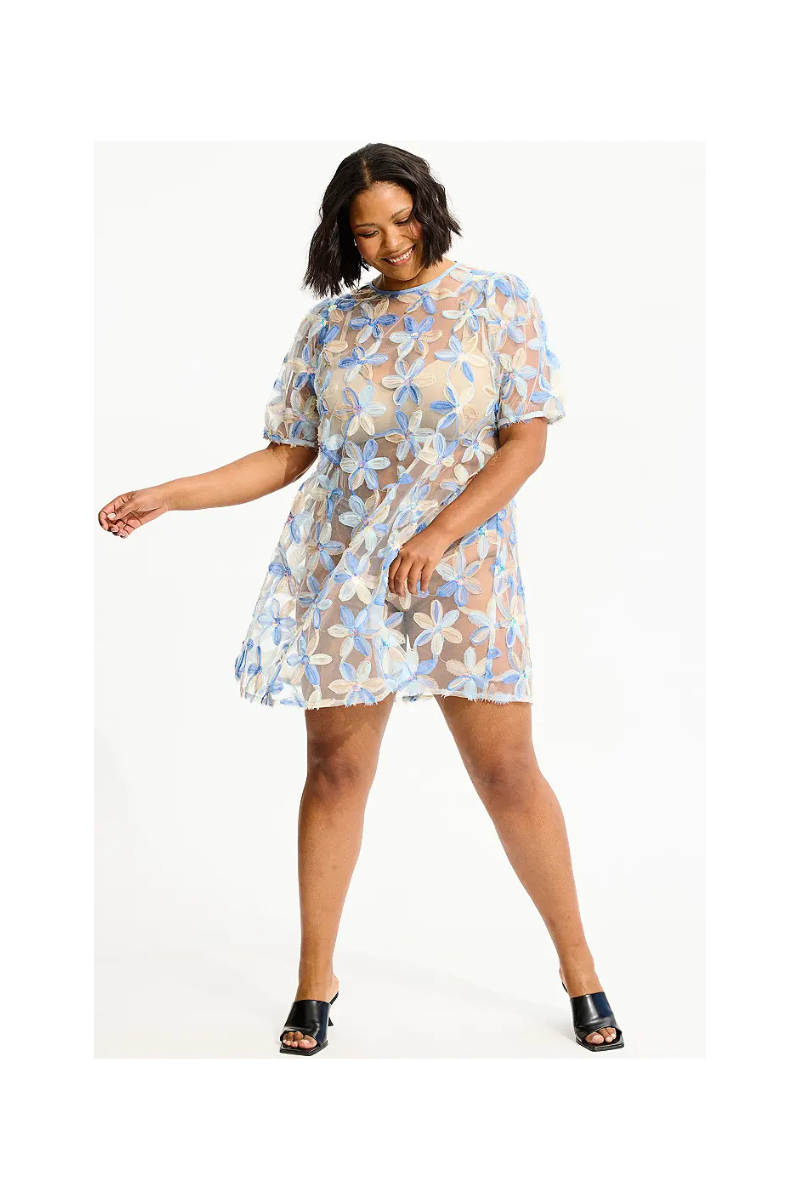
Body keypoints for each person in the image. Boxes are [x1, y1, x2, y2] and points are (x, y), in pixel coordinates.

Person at [98, 142, 623, 1056]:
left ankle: (581, 971)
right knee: (336, 773)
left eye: (403, 220)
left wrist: (439, 533)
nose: (391, 243)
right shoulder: (330, 328)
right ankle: (315, 980)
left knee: (507, 773)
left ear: (430, 207)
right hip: (345, 571)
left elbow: (526, 443)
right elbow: (287, 455)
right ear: (344, 236)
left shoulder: (497, 300)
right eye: (368, 231)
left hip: (463, 571)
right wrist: (169, 494)